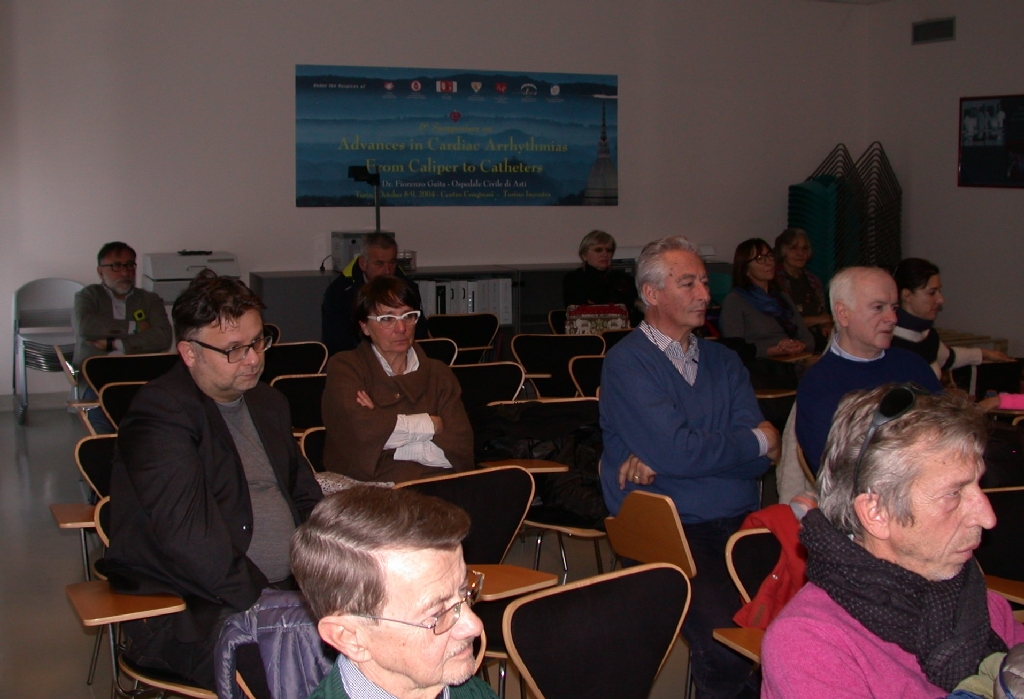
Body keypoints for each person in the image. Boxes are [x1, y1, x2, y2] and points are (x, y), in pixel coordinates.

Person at [99, 271, 323, 690]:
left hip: (286, 590)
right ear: (189, 353)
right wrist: (272, 602)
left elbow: (306, 498)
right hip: (191, 608)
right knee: (300, 663)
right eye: (234, 349)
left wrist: (337, 571)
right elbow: (190, 540)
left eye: (258, 341)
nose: (253, 358)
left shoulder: (268, 402)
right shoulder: (160, 415)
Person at [600, 235, 779, 699]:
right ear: (652, 294)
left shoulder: (724, 360)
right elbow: (686, 452)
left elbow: (758, 464)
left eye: (704, 281)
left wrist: (682, 457)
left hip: (743, 520)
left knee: (797, 626)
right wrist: (753, 441)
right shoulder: (628, 363)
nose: (705, 294)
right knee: (729, 643)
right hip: (670, 527)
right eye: (689, 283)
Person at [762, 385, 1024, 699]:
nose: (988, 517)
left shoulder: (979, 604)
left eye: (977, 486)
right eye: (954, 493)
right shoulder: (811, 646)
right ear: (877, 513)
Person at [291, 486, 497, 699]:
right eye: (437, 614)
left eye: (463, 590)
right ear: (350, 637)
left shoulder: (466, 689)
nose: (474, 625)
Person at [322, 275, 474, 483]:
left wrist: (387, 431)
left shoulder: (438, 373)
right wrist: (430, 424)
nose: (401, 328)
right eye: (387, 319)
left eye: (408, 316)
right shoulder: (347, 367)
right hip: (374, 491)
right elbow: (361, 435)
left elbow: (460, 447)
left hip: (441, 484)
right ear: (365, 326)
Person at [796, 266, 942, 473]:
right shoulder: (819, 385)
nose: (892, 318)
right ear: (843, 314)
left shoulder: (914, 365)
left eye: (894, 307)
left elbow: (948, 431)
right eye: (878, 307)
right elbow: (837, 472)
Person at [73, 241, 173, 431]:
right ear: (100, 271)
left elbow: (163, 337)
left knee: (154, 423)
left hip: (139, 375)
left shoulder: (149, 300)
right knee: (105, 424)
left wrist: (114, 344)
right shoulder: (87, 297)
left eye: (129, 265)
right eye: (116, 266)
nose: (125, 272)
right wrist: (134, 327)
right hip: (98, 377)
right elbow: (86, 326)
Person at [892, 257, 1011, 378]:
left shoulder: (927, 335)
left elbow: (948, 358)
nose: (940, 300)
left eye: (939, 291)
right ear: (907, 295)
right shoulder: (886, 342)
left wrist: (984, 354)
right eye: (932, 293)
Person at [321, 233, 427, 356]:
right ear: (363, 264)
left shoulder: (408, 288)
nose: (387, 271)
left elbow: (419, 333)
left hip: (402, 357)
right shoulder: (340, 292)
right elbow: (336, 343)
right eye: (379, 264)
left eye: (392, 263)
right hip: (356, 360)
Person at [719, 238, 814, 359]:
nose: (768, 262)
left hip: (794, 361)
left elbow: (808, 339)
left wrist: (800, 345)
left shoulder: (782, 297)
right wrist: (771, 351)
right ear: (746, 269)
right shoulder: (735, 300)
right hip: (761, 367)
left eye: (770, 256)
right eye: (760, 259)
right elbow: (734, 349)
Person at [562, 229, 641, 325]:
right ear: (584, 255)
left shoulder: (625, 280)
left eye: (609, 250)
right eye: (598, 250)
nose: (605, 254)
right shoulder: (573, 279)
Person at [773, 228, 832, 352]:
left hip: (817, 340)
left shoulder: (813, 281)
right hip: (789, 343)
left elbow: (823, 314)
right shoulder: (775, 281)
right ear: (783, 251)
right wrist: (821, 320)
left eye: (804, 248)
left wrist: (826, 326)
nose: (800, 253)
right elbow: (784, 322)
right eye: (794, 248)